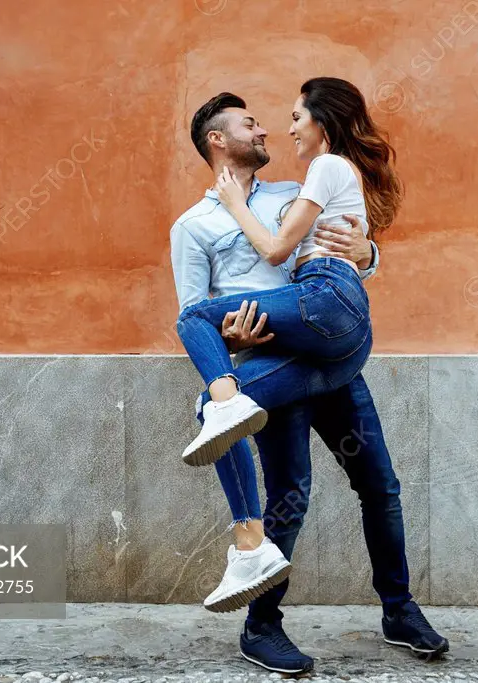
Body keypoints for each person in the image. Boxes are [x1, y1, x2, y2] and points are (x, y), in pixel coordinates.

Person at [169, 88, 448, 674]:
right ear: (218, 141)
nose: (267, 131)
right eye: (250, 125)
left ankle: (399, 609)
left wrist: (370, 252)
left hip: (325, 351)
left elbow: (344, 248)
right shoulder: (192, 226)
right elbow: (195, 311)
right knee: (290, 498)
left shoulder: (293, 190)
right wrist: (238, 341)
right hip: (276, 366)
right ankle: (261, 627)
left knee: (380, 486)